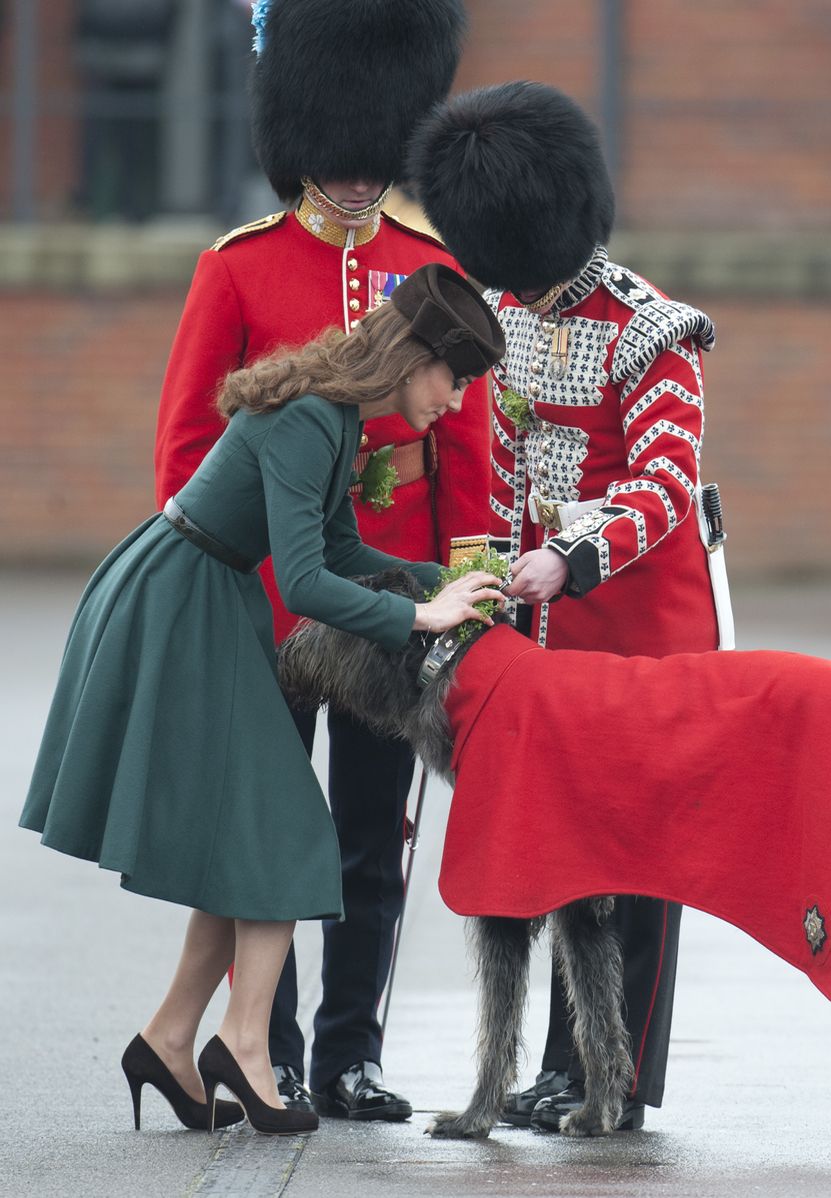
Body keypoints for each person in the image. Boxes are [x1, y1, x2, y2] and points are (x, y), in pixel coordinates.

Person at [19, 264, 506, 1137]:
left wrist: (457, 582)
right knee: (287, 829)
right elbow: (310, 581)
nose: (459, 401)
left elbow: (340, 545)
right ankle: (243, 1045)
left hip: (206, 592)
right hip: (179, 600)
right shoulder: (315, 416)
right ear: (414, 357)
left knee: (251, 833)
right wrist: (417, 614)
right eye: (456, 379)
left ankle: (173, 1039)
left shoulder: (338, 412)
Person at [154, 0, 486, 1119]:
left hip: (387, 588)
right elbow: (191, 454)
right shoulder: (239, 268)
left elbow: (469, 454)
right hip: (269, 603)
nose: (354, 180)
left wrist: (459, 581)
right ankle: (272, 1048)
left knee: (371, 835)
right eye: (336, 161)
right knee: (270, 832)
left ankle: (351, 1049)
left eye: (371, 162)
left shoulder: (426, 264)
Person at [408, 81, 724, 1131]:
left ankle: (618, 1074)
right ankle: (561, 1063)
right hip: (538, 635)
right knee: (560, 853)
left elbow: (664, 483)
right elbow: (493, 464)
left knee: (636, 863)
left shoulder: (651, 329)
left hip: (639, 635)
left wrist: (570, 556)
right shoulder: (502, 306)